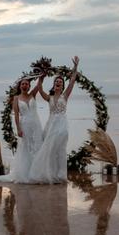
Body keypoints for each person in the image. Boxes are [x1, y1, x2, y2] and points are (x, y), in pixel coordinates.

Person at [28, 56, 79, 184]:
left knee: (61, 150)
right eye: (57, 81)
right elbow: (39, 89)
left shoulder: (65, 95)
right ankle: (49, 173)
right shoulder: (49, 97)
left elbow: (72, 80)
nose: (58, 83)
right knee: (49, 149)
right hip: (51, 126)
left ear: (62, 86)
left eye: (61, 82)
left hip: (62, 126)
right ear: (54, 84)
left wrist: (75, 66)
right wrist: (41, 76)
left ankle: (61, 175)